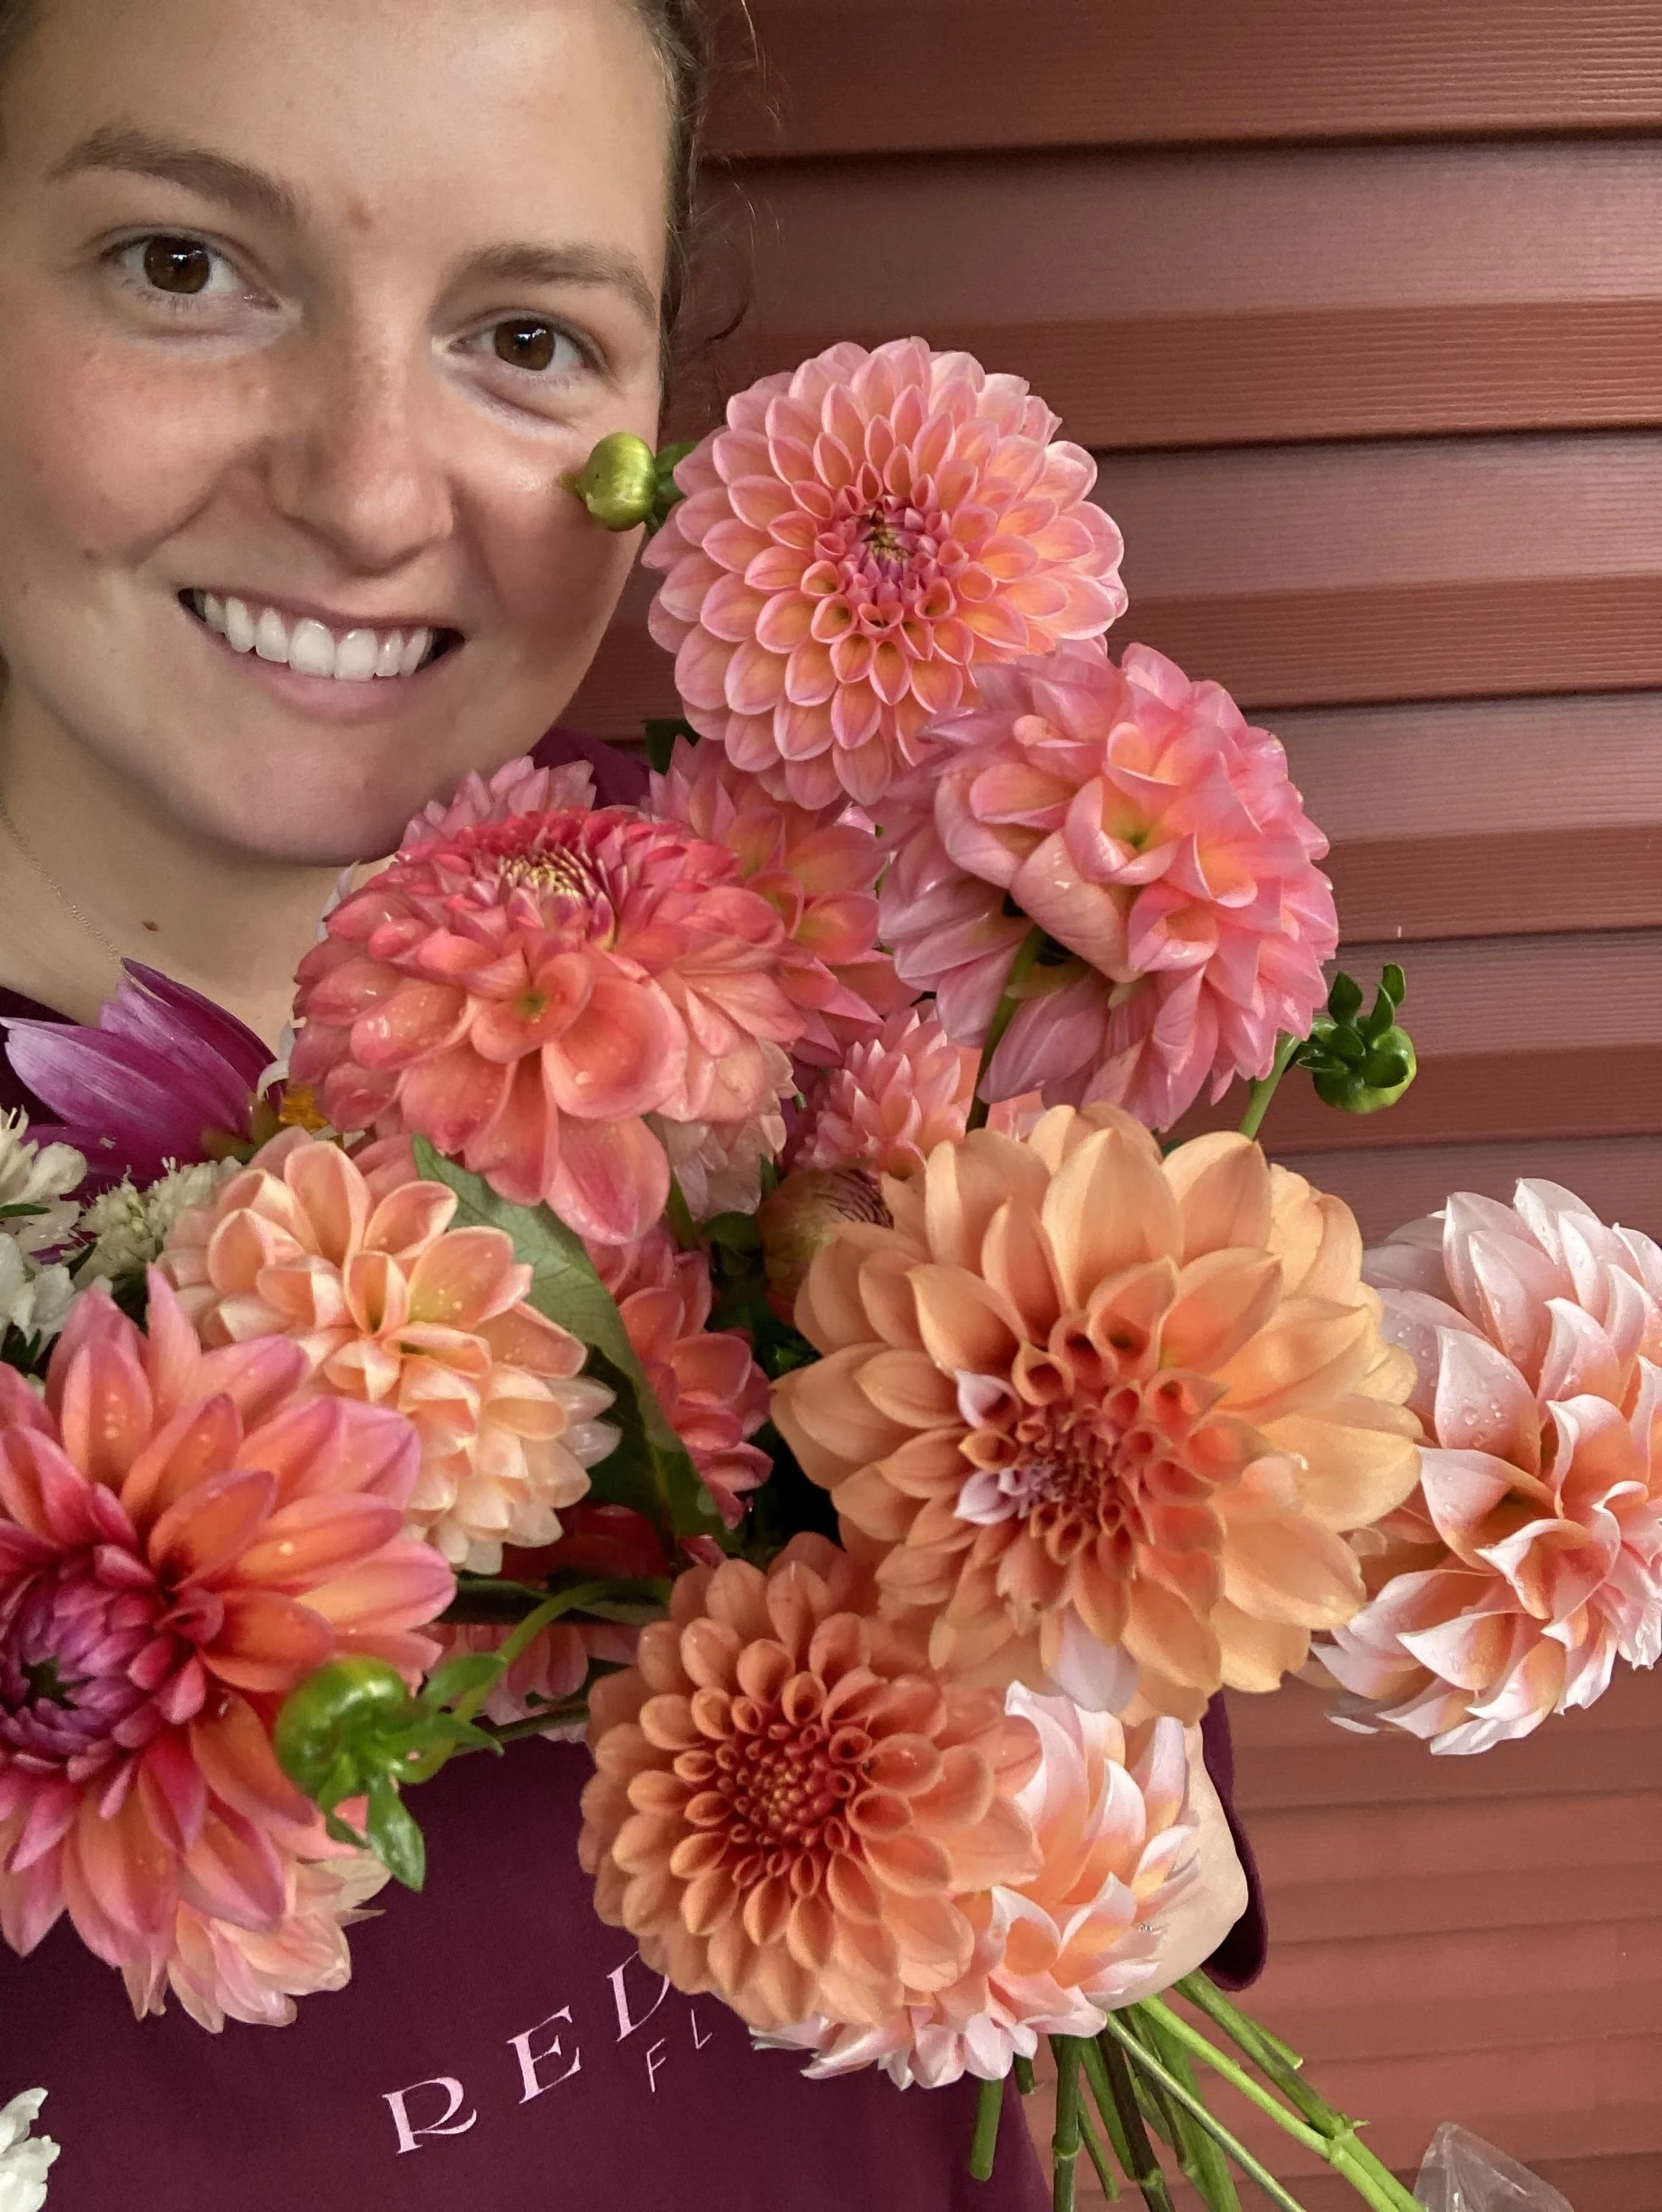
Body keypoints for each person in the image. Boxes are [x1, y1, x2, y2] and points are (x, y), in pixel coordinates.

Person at [0, 1, 1257, 2203]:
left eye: (525, 333)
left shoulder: (844, 965)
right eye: (184, 267)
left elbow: (1143, 1831)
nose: (369, 490)